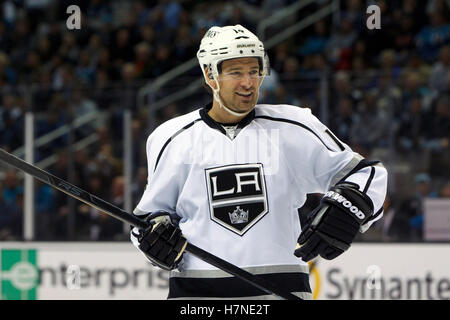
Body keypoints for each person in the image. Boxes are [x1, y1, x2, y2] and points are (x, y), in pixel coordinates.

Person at [130, 25, 388, 300]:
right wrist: (152, 239)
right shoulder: (170, 137)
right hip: (197, 296)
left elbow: (368, 173)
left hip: (280, 291)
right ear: (210, 75)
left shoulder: (294, 127)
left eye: (254, 71)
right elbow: (146, 220)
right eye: (235, 72)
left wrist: (348, 208)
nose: (248, 83)